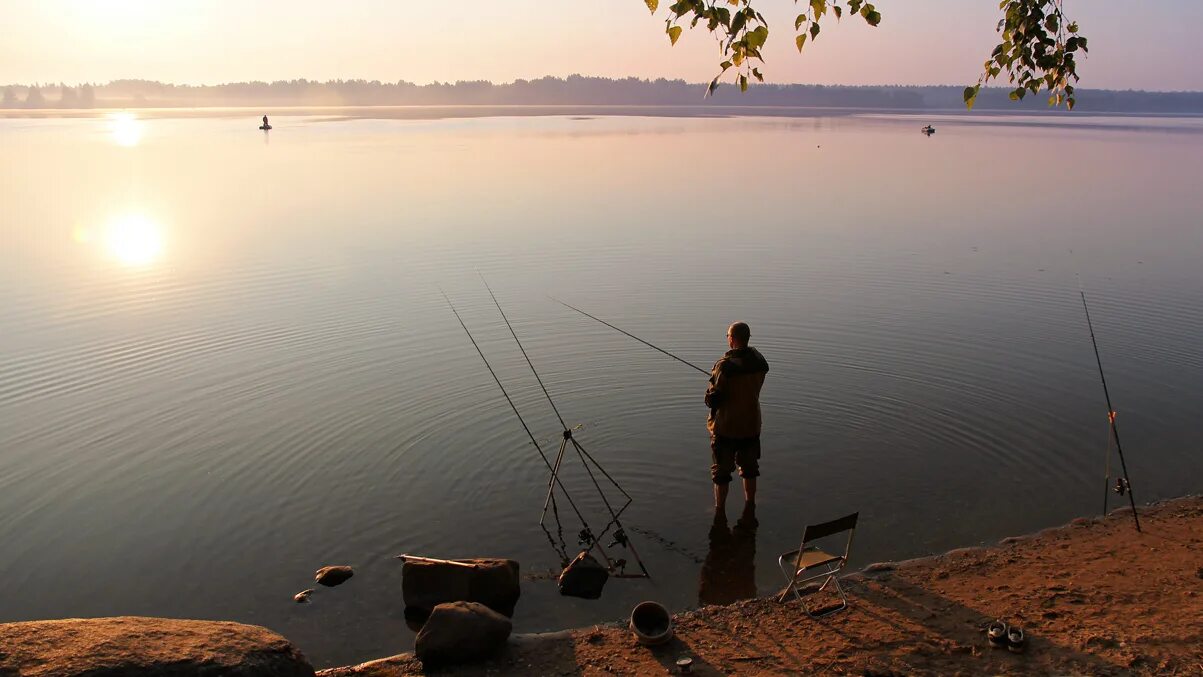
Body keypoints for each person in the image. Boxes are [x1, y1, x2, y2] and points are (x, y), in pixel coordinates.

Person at [704, 321, 769, 511]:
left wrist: (709, 392)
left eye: (727, 336)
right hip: (750, 424)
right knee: (750, 469)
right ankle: (750, 504)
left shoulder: (724, 366)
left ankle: (720, 510)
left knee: (721, 472)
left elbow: (713, 399)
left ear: (732, 339)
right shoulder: (759, 362)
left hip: (726, 427)